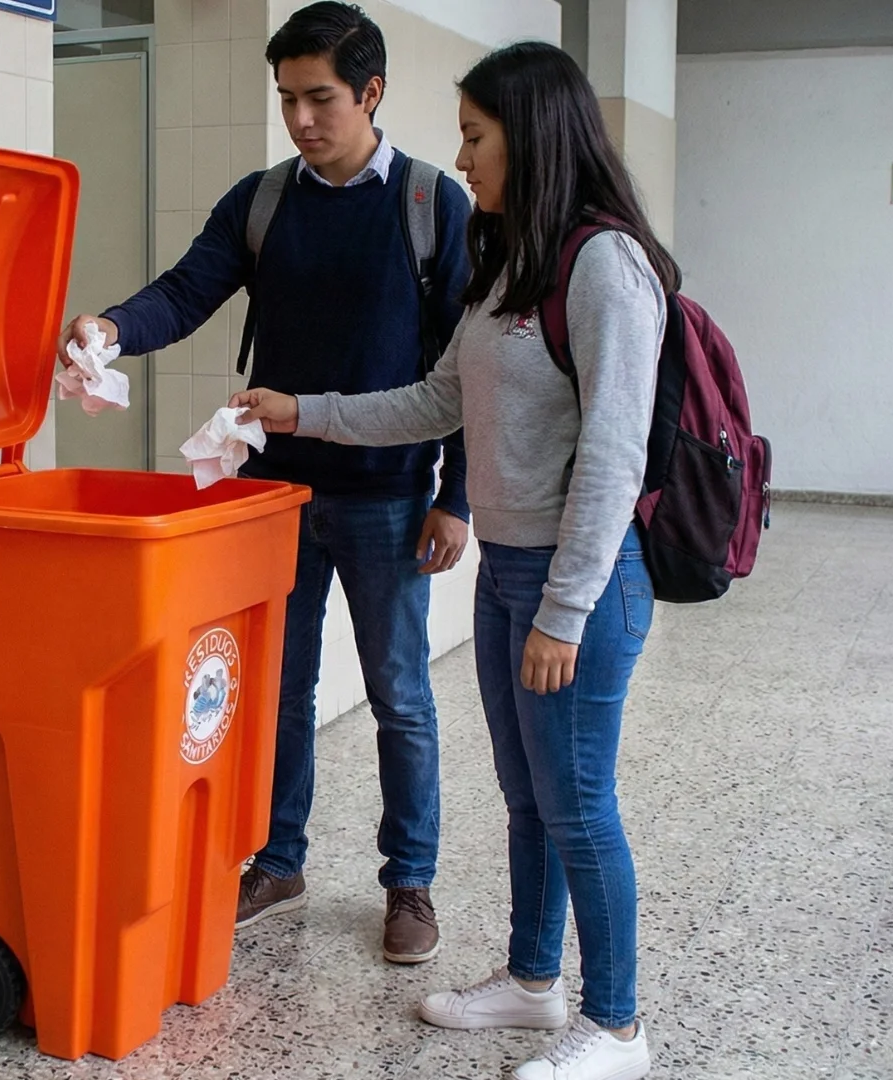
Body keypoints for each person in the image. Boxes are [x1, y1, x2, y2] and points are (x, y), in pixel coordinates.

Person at [232, 40, 673, 1080]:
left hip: (583, 584)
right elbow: (437, 399)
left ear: (534, 136)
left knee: (580, 805)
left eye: (477, 136)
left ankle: (617, 1026)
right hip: (511, 575)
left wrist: (566, 610)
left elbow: (613, 455)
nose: (463, 158)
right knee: (529, 801)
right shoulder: (510, 259)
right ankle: (530, 981)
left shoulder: (605, 264)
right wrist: (303, 410)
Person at [59, 1, 472, 965]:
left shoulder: (429, 205)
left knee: (399, 693)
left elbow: (468, 368)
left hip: (388, 496)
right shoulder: (263, 201)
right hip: (272, 495)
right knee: (276, 688)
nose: (300, 119)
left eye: (320, 98)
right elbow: (186, 288)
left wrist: (457, 496)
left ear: (371, 92)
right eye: (286, 99)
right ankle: (278, 858)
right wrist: (111, 329)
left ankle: (409, 881)